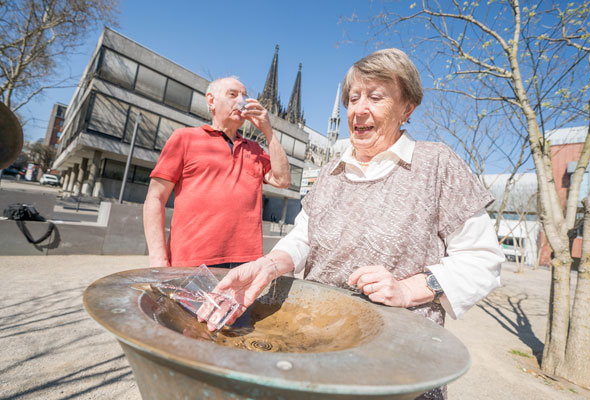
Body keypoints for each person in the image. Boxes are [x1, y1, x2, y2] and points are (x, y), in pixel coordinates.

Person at [201, 50, 504, 400]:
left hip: (400, 370)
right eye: (353, 98)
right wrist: (268, 266)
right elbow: (304, 238)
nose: (359, 109)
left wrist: (410, 290)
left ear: (407, 108)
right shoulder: (331, 171)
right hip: (318, 354)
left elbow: (483, 258)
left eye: (376, 97)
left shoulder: (436, 165)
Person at [143, 76, 290, 268]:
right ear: (211, 101)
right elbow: (155, 198)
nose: (242, 101)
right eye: (233, 95)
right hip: (191, 261)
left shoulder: (255, 149)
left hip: (245, 263)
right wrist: (158, 259)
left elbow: (282, 180)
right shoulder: (184, 138)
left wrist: (268, 131)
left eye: (245, 96)